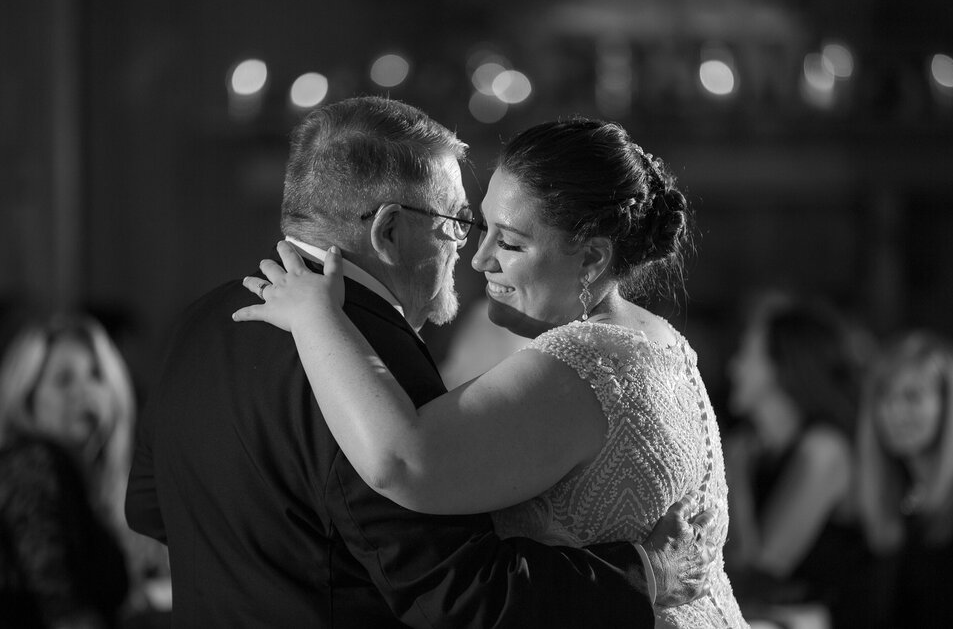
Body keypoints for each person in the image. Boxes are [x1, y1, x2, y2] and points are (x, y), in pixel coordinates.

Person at [126, 97, 716, 628]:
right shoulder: (365, 357)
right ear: (389, 233)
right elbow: (461, 595)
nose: (471, 255)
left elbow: (151, 509)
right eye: (459, 225)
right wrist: (644, 576)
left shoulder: (204, 319)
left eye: (499, 237)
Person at [722, 295, 873, 626]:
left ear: (779, 368)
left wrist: (733, 471)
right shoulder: (760, 450)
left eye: (746, 354)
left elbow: (761, 571)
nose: (734, 367)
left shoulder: (823, 449)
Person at [856, 331, 953, 628]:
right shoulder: (900, 491)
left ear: (951, 405)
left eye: (912, 396)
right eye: (884, 395)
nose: (893, 411)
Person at [0, 315, 132, 628]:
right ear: (28, 399)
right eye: (64, 380)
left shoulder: (77, 477)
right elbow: (61, 607)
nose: (85, 392)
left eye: (96, 375)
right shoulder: (31, 463)